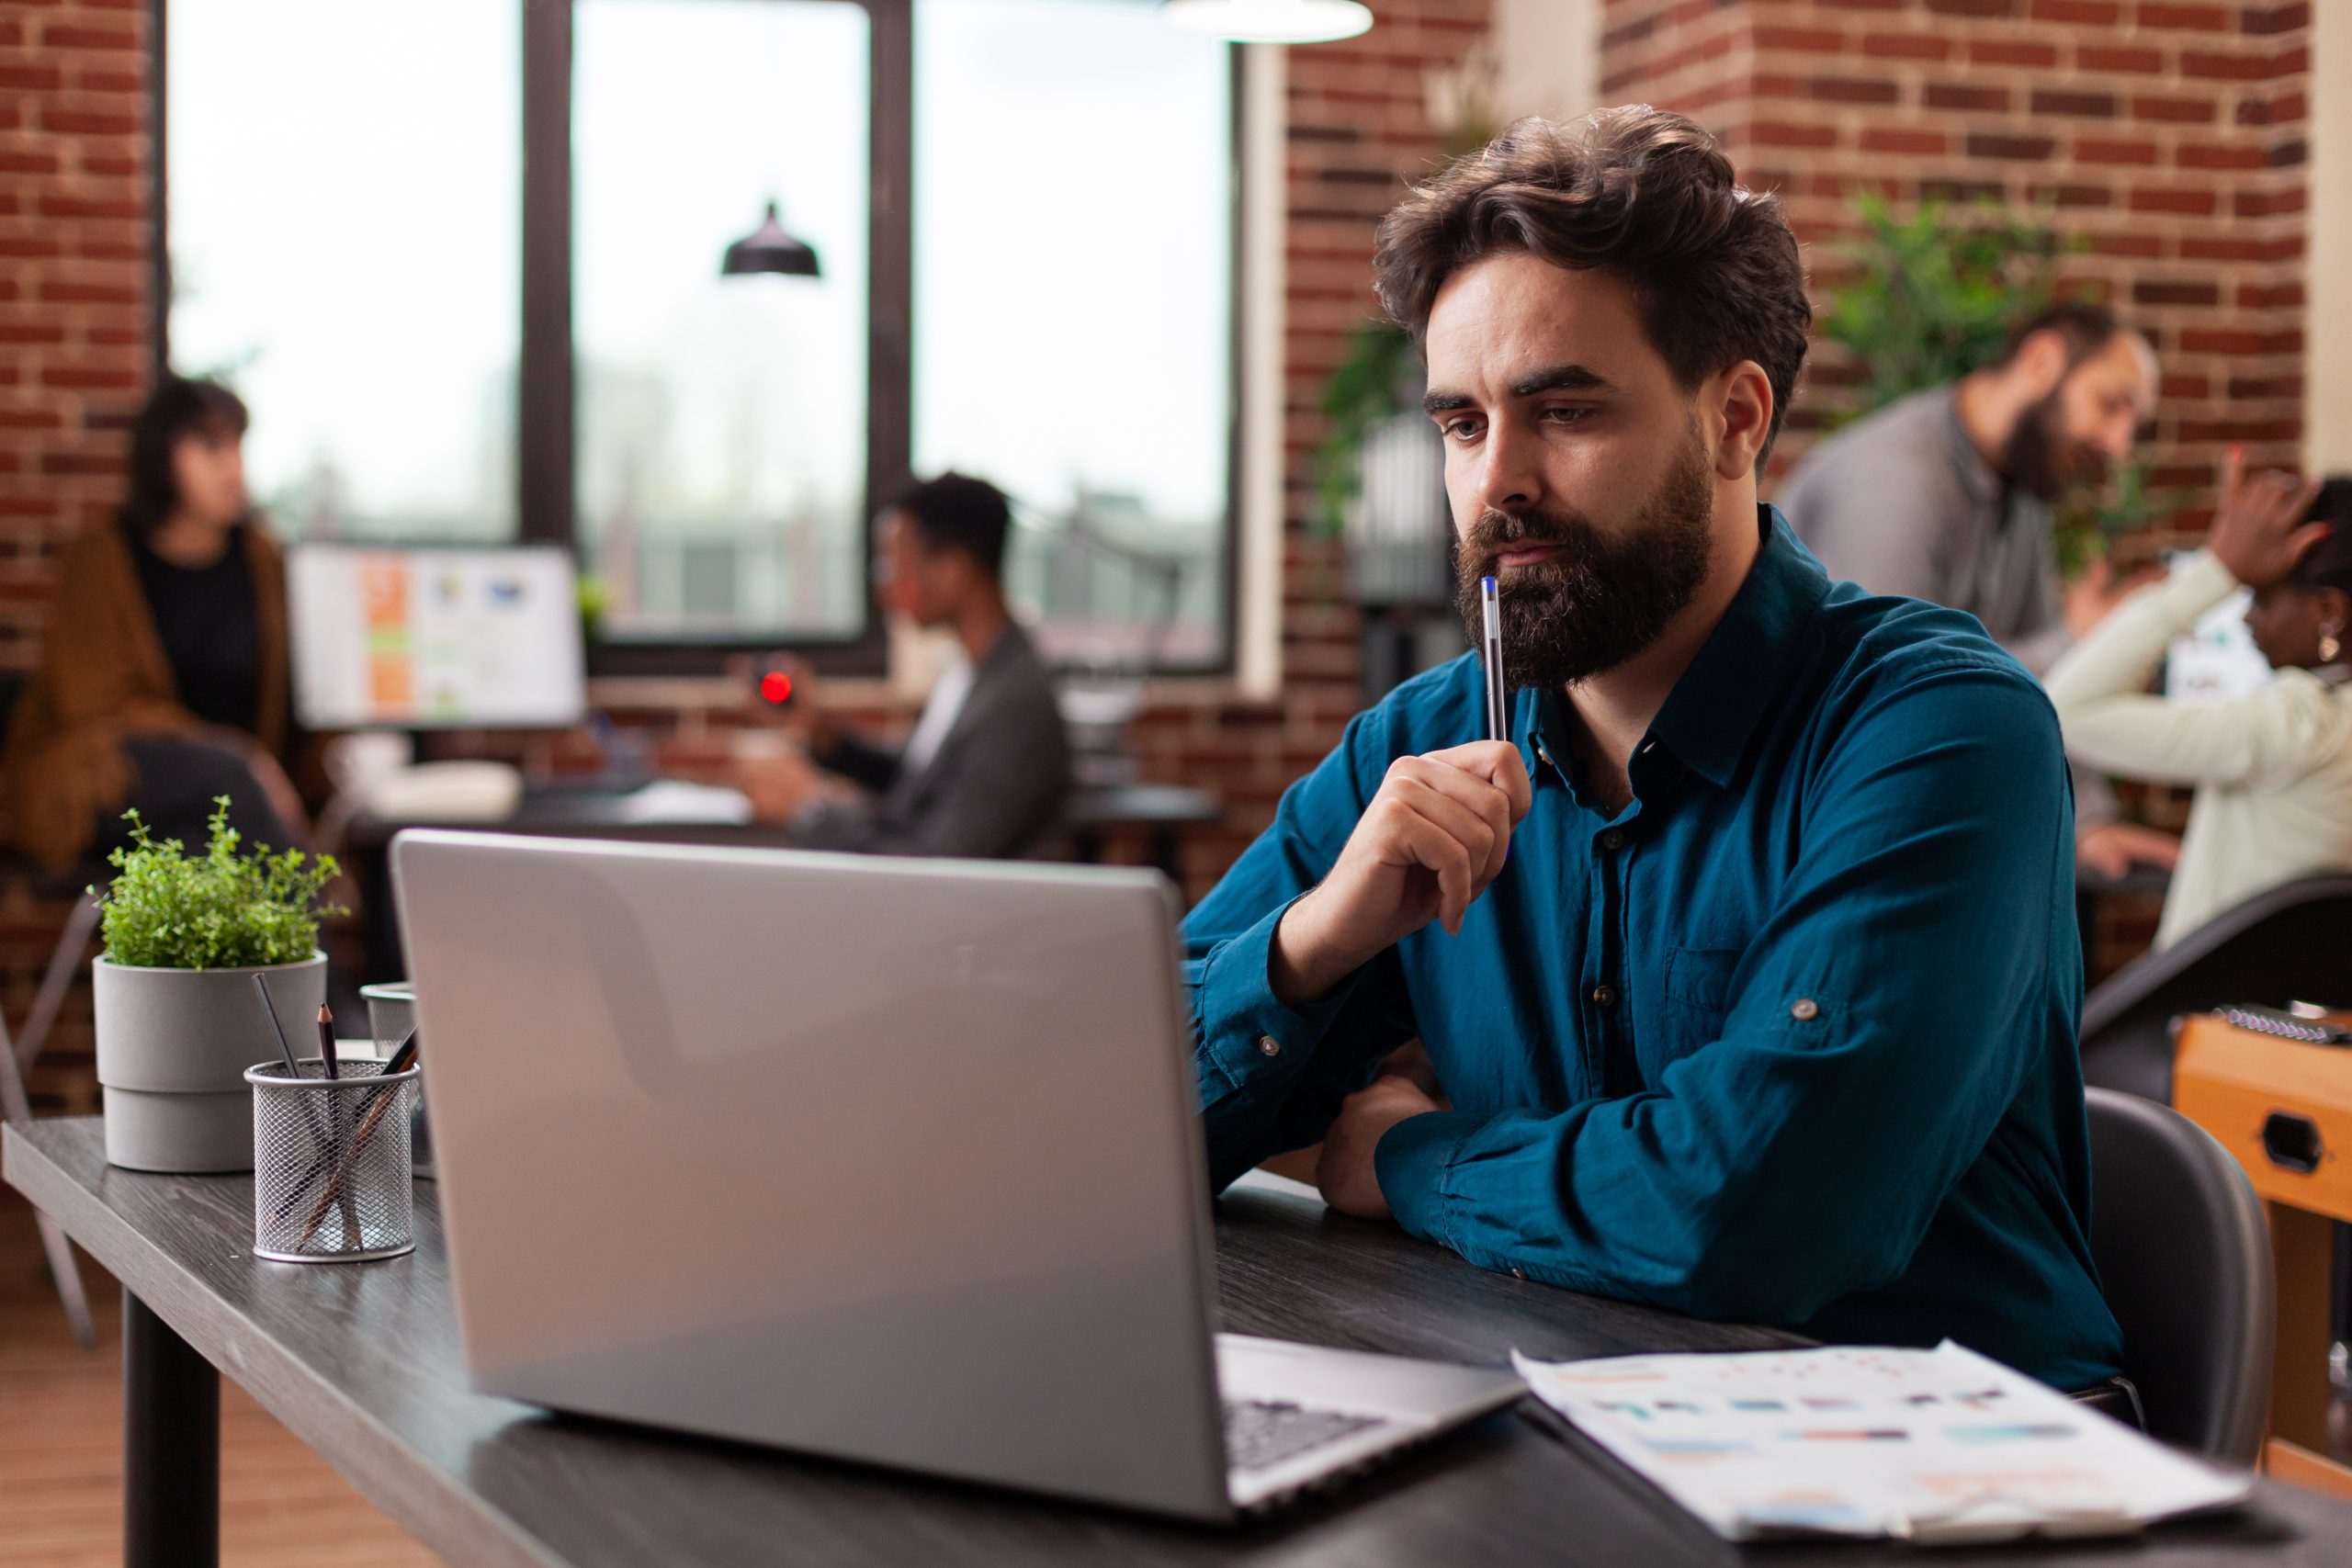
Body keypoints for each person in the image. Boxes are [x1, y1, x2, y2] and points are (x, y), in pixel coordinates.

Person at [1181, 108, 2124, 1398]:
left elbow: (1754, 1212)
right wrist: (1309, 947)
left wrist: (1408, 1156)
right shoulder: (1416, 743)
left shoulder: (1942, 729)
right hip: (1567, 1407)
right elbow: (1104, 1126)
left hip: (1952, 1461)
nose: (1496, 483)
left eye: (1564, 410)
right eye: (1462, 425)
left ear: (1735, 418)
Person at [1774, 302, 2179, 880]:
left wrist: (2088, 823)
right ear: (2042, 362)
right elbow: (1892, 696)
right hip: (1825, 844)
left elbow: (2045, 686)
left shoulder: (2020, 487)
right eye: (2111, 404)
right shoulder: (1896, 482)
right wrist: (2077, 638)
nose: (2119, 444)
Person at [2, 377, 308, 873]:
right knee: (224, 786)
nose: (234, 467)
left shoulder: (261, 559)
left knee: (198, 847)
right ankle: (311, 924)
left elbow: (290, 696)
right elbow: (96, 706)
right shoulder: (99, 560)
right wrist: (242, 757)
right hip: (105, 773)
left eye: (238, 446)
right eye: (211, 447)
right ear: (162, 455)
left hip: (230, 796)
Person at [2047, 453, 2352, 949]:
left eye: (2260, 599)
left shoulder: (2303, 723)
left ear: (2328, 611)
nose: (2247, 620)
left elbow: (2068, 711)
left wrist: (2217, 569)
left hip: (2216, 998)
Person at [743, 471, 1072, 858]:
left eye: (894, 563)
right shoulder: (972, 671)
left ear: (953, 569)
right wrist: (822, 734)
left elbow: (935, 861)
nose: (884, 587)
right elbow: (922, 785)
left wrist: (809, 808)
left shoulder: (1016, 704)